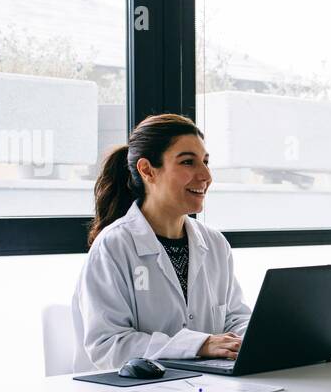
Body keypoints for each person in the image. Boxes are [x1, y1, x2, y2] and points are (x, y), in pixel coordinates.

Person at [72, 113, 251, 370]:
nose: (205, 175)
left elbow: (236, 318)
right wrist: (199, 345)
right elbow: (109, 344)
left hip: (204, 388)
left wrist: (250, 339)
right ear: (147, 170)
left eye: (206, 162)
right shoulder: (113, 246)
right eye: (188, 162)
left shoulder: (215, 244)